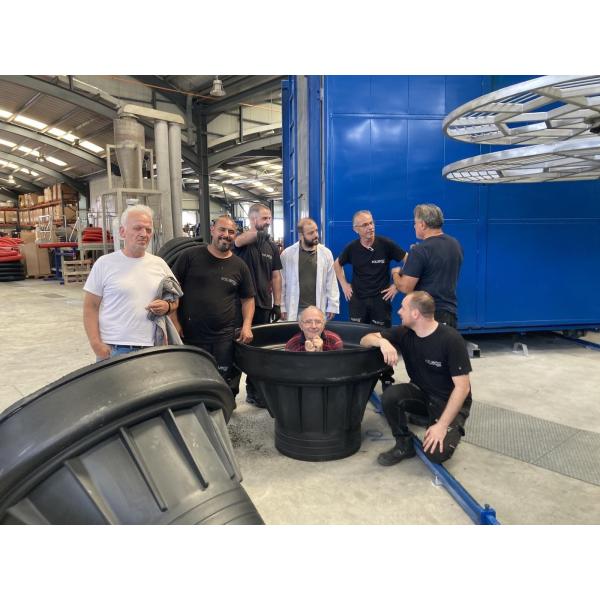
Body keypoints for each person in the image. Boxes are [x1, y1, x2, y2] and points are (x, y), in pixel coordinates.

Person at [360, 291, 472, 466]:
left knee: (435, 454)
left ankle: (437, 420)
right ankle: (404, 444)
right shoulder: (404, 332)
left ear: (415, 314)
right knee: (390, 396)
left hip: (447, 401)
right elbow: (365, 340)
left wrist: (442, 425)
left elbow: (463, 388)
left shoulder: (451, 339)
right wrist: (382, 342)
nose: (399, 312)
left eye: (403, 308)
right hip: (422, 393)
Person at [170, 215, 255, 396]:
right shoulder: (190, 256)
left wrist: (247, 326)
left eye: (231, 232)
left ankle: (223, 410)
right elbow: (172, 290)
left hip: (224, 338)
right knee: (191, 382)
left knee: (223, 383)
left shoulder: (240, 266)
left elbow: (248, 299)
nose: (226, 235)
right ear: (212, 230)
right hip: (190, 336)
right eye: (222, 230)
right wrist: (174, 322)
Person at [83, 205, 179, 360]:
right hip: (114, 349)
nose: (144, 234)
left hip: (153, 348)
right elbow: (90, 307)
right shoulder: (104, 264)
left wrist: (167, 306)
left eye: (148, 230)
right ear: (122, 232)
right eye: (137, 228)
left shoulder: (160, 264)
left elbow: (175, 299)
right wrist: (96, 344)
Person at [334, 209, 407, 388]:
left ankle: (386, 376)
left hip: (380, 301)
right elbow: (337, 264)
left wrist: (396, 285)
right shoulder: (352, 248)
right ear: (356, 229)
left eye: (371, 223)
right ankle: (359, 374)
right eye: (365, 225)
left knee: (384, 338)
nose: (370, 227)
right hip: (358, 301)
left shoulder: (385, 244)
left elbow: (409, 259)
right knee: (358, 338)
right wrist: (344, 285)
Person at [234, 203, 283, 406]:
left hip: (263, 305)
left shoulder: (271, 246)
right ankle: (229, 394)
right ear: (253, 219)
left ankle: (255, 392)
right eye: (264, 218)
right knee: (237, 348)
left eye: (270, 218)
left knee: (259, 351)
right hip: (240, 306)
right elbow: (238, 241)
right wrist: (257, 234)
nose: (268, 221)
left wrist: (277, 304)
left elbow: (276, 276)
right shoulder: (243, 241)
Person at [392, 204, 463, 328]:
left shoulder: (420, 250)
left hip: (426, 315)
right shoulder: (455, 244)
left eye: (415, 223)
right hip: (449, 314)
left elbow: (405, 287)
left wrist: (395, 273)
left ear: (423, 224)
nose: (414, 226)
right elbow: (436, 268)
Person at [280, 217, 339, 322]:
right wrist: (282, 306)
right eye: (311, 233)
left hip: (317, 308)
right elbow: (281, 283)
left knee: (316, 332)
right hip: (295, 308)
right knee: (294, 332)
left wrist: (332, 305)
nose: (316, 235)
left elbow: (331, 281)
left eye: (316, 231)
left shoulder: (326, 253)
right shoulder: (287, 254)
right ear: (301, 235)